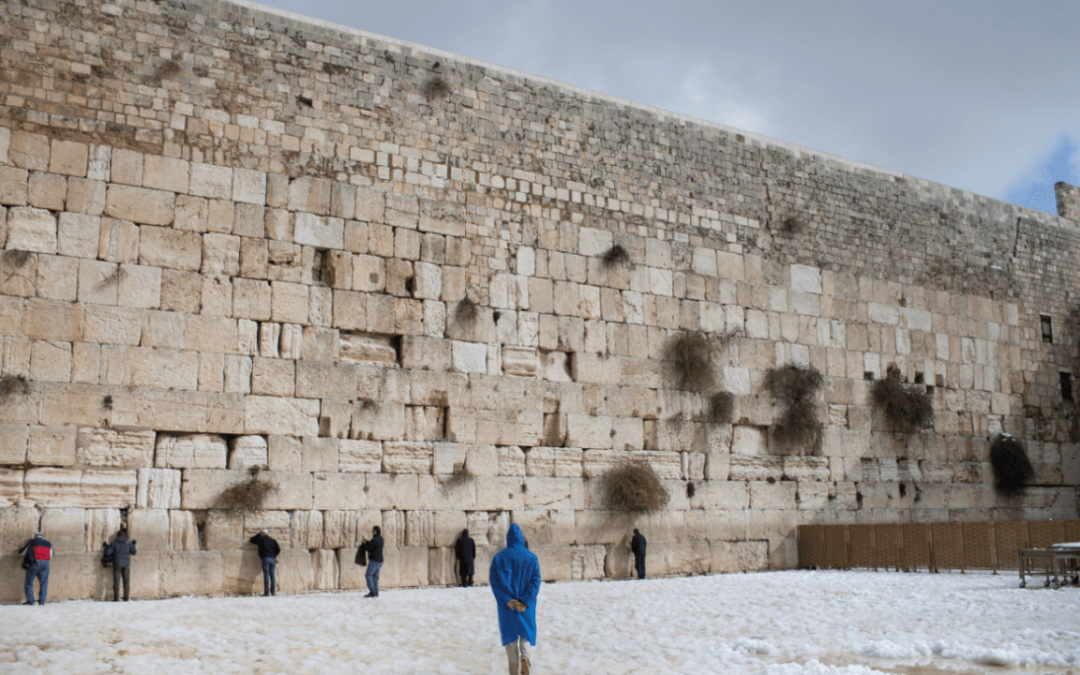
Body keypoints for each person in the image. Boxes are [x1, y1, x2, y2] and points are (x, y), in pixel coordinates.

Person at [489, 523, 541, 675]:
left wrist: (506, 599)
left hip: (508, 606)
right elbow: (535, 580)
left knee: (511, 640)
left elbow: (495, 581)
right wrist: (525, 600)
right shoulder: (532, 557)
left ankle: (514, 670)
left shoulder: (499, 558)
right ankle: (525, 657)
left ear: (508, 538)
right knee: (525, 635)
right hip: (526, 606)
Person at [19, 532, 53, 606]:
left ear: (35, 536)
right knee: (44, 583)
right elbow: (51, 555)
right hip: (45, 564)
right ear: (42, 537)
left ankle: (30, 601)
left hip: (34, 563)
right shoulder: (48, 543)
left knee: (29, 583)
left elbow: (22, 552)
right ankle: (42, 602)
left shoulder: (31, 542)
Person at [104, 527, 137, 601]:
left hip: (117, 564)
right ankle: (126, 598)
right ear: (125, 536)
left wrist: (106, 546)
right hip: (126, 564)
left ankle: (116, 598)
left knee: (116, 581)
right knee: (126, 581)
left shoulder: (115, 543)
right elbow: (134, 552)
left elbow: (108, 553)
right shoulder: (128, 543)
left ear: (118, 536)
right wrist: (133, 545)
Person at [249, 530, 281, 596]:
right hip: (272, 559)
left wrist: (258, 534)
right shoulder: (273, 540)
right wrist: (274, 555)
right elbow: (278, 549)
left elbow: (251, 540)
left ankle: (266, 592)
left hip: (265, 558)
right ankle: (273, 592)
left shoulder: (261, 540)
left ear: (262, 534)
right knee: (272, 575)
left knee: (266, 575)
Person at [359, 526, 384, 598]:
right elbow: (372, 545)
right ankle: (375, 592)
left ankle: (372, 591)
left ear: (376, 531)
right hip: (380, 561)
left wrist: (364, 543)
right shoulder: (381, 539)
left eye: (373, 531)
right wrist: (367, 541)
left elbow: (369, 548)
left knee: (368, 575)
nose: (372, 533)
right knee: (375, 576)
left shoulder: (375, 539)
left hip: (374, 560)